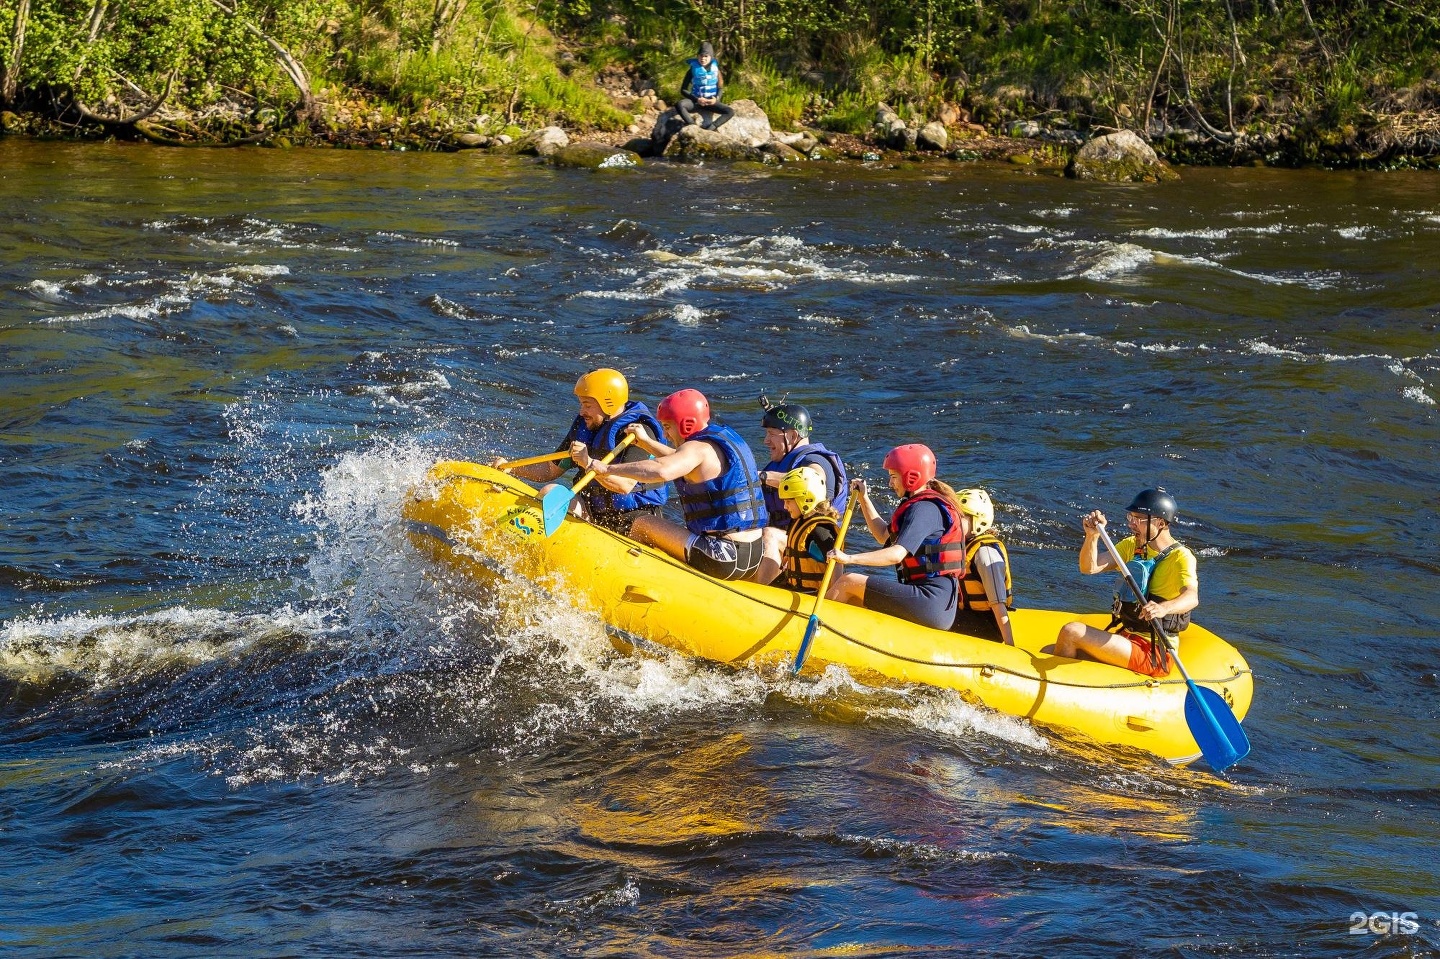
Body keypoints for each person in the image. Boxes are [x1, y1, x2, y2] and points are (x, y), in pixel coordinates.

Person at [576, 388, 768, 581]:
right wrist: (647, 443)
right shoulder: (717, 441)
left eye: (667, 427)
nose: (666, 435)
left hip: (722, 556)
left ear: (686, 425)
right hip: (752, 555)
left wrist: (605, 469)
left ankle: (625, 575)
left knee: (642, 524)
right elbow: (681, 461)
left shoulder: (696, 448)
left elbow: (662, 470)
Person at [492, 368, 667, 535]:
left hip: (632, 517)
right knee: (549, 491)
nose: (581, 411)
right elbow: (550, 470)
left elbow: (625, 486)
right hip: (591, 510)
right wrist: (512, 469)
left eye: (587, 405)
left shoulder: (638, 432)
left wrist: (587, 462)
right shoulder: (584, 426)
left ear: (608, 404)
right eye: (581, 404)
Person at [1053, 488, 1199, 677]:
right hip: (1127, 636)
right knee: (1052, 650)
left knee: (1071, 631)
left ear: (1161, 523)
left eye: (1138, 519)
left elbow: (1191, 597)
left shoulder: (1180, 557)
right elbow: (1089, 567)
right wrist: (1092, 536)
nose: (1132, 524)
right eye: (1130, 517)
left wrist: (1164, 608)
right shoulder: (1132, 545)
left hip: (1153, 651)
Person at [826, 444, 968, 631]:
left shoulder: (924, 509)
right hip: (933, 601)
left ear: (912, 477)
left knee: (848, 581)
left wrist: (849, 558)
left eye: (893, 477)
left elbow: (895, 555)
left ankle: (815, 628)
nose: (890, 483)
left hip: (930, 600)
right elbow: (882, 535)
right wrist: (863, 498)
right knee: (854, 595)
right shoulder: (919, 506)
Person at [754, 400, 847, 584]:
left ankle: (764, 594)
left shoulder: (816, 460)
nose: (766, 441)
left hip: (809, 547)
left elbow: (813, 478)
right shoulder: (781, 461)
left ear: (792, 435)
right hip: (789, 542)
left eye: (771, 434)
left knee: (770, 535)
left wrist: (761, 476)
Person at [948, 488, 1016, 646]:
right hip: (968, 615)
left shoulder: (986, 553)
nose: (953, 521)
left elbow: (998, 604)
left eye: (960, 517)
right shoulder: (961, 545)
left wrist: (1010, 646)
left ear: (977, 521)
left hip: (987, 626)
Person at [771, 466, 840, 595]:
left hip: (811, 594)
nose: (785, 507)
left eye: (788, 501)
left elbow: (837, 564)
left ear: (806, 500)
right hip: (795, 588)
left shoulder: (820, 530)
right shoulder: (800, 521)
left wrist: (833, 599)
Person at [677, 42, 734, 131]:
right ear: (698, 56)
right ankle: (692, 126)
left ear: (711, 57)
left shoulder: (716, 70)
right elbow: (683, 90)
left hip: (710, 102)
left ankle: (711, 129)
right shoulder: (692, 70)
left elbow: (720, 88)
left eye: (706, 56)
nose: (703, 59)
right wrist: (697, 99)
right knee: (679, 104)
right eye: (700, 56)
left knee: (730, 112)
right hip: (696, 102)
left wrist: (716, 99)